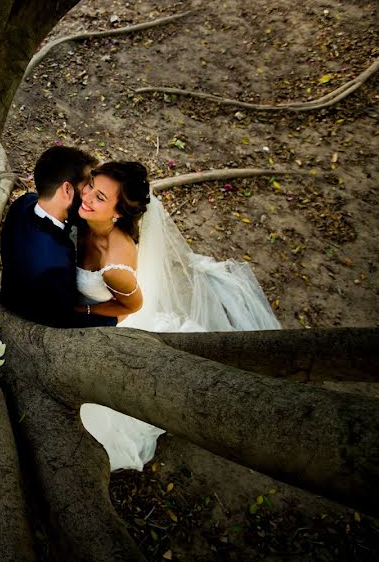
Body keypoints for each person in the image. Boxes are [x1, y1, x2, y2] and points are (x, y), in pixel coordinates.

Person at [72, 160, 281, 470]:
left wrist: (83, 312)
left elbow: (132, 307)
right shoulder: (84, 218)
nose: (87, 197)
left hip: (105, 325)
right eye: (90, 185)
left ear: (117, 213)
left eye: (100, 197)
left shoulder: (117, 266)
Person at [0, 145, 115, 328]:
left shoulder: (23, 204)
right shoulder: (55, 263)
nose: (89, 195)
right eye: (86, 187)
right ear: (67, 190)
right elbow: (64, 320)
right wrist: (114, 319)